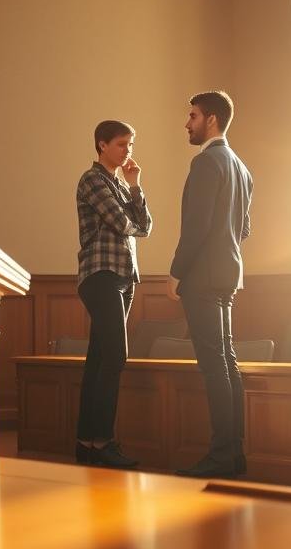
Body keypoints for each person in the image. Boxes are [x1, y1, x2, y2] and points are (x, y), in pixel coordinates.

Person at [168, 90, 252, 478]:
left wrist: (177, 271)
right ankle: (234, 455)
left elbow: (196, 227)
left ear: (212, 120)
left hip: (202, 277)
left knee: (213, 365)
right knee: (227, 362)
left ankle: (220, 457)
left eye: (193, 116)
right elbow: (244, 230)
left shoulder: (206, 163)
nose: (188, 123)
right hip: (229, 275)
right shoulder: (241, 167)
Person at [74, 120, 152, 468]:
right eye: (122, 144)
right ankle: (103, 442)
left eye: (130, 145)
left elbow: (145, 226)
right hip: (101, 274)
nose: (128, 151)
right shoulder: (92, 179)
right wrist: (132, 221)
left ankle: (87, 443)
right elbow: (123, 224)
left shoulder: (121, 183)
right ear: (102, 145)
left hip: (124, 277)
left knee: (100, 360)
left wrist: (135, 186)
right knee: (116, 357)